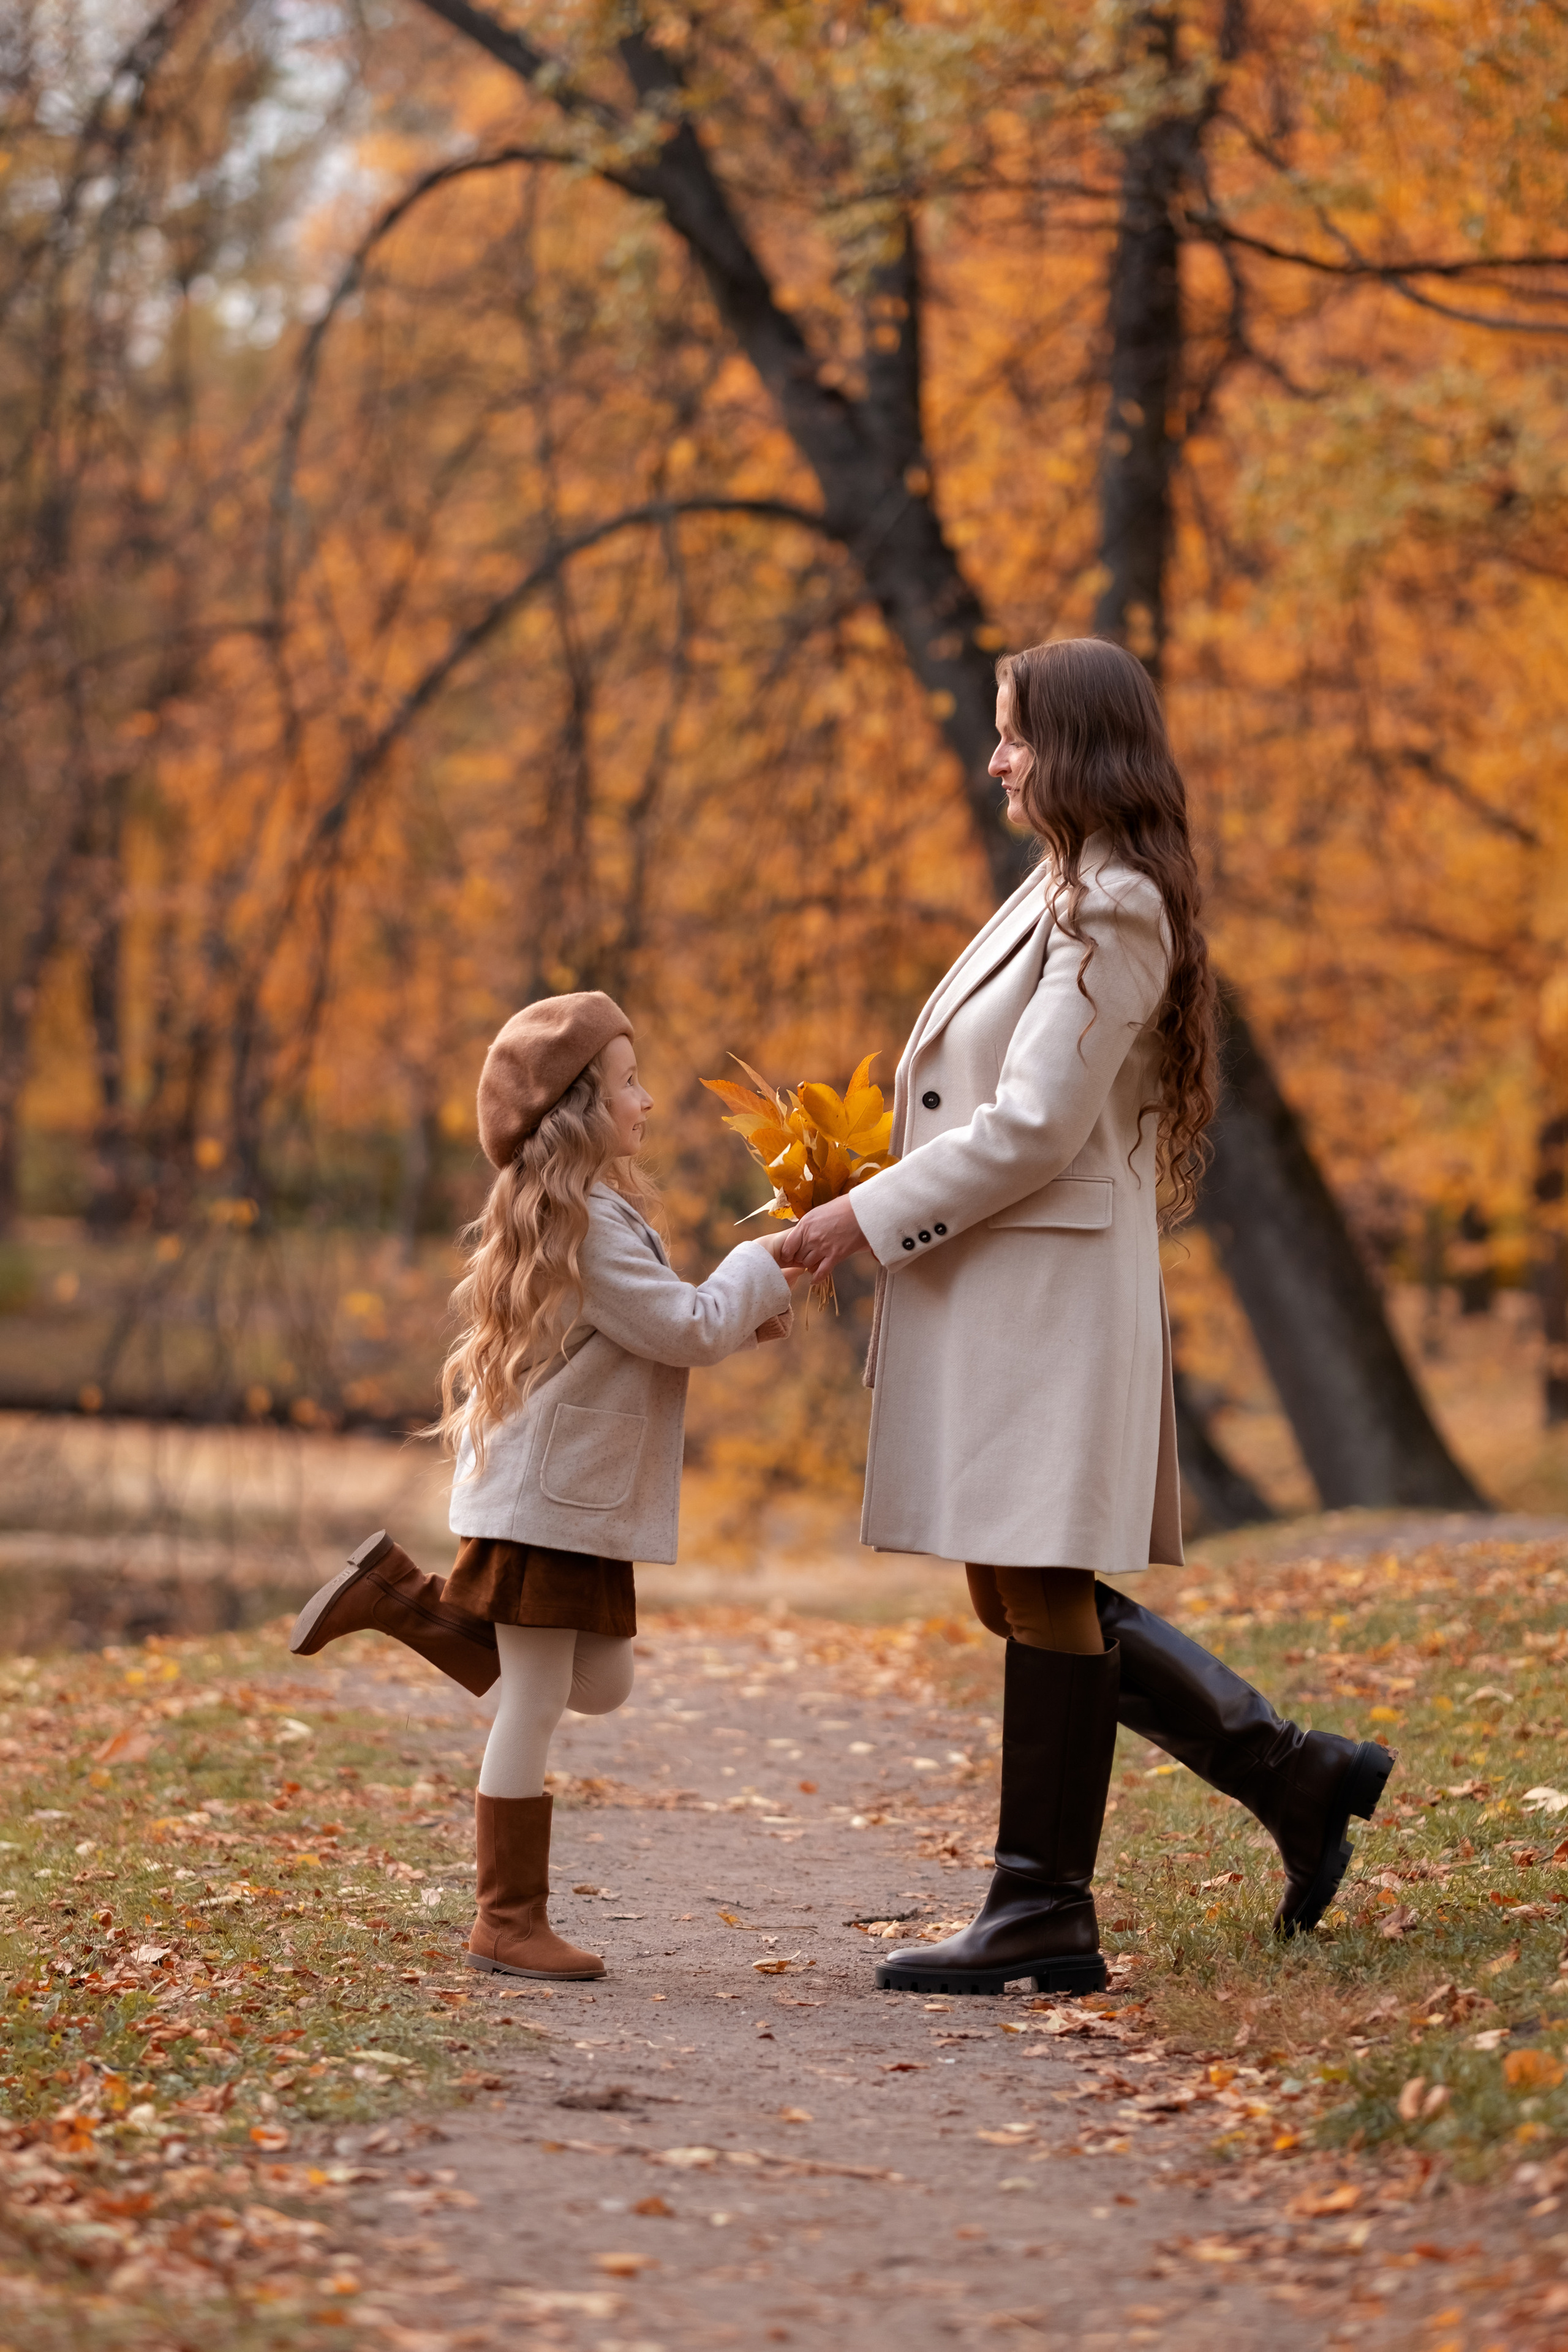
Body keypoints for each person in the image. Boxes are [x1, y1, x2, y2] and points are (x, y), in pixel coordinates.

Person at [780, 638, 1394, 1995]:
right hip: (1002, 1283)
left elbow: (1036, 1124)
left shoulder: (1112, 904)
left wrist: (861, 1216)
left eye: (1011, 734)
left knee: (1037, 1580)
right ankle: (1289, 1776)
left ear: (1074, 745)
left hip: (1043, 1291)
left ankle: (1043, 1909)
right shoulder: (1059, 885)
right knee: (1012, 1582)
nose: (993, 757)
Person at [288, 991, 802, 1980]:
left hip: (579, 1501)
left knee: (600, 1685)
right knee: (533, 1698)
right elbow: (685, 1328)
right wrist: (758, 1263)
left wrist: (764, 1290)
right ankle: (507, 1919)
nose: (647, 1100)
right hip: (551, 1507)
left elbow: (672, 1322)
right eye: (628, 1083)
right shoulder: (589, 1223)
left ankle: (402, 1602)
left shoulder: (598, 1213)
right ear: (577, 1108)